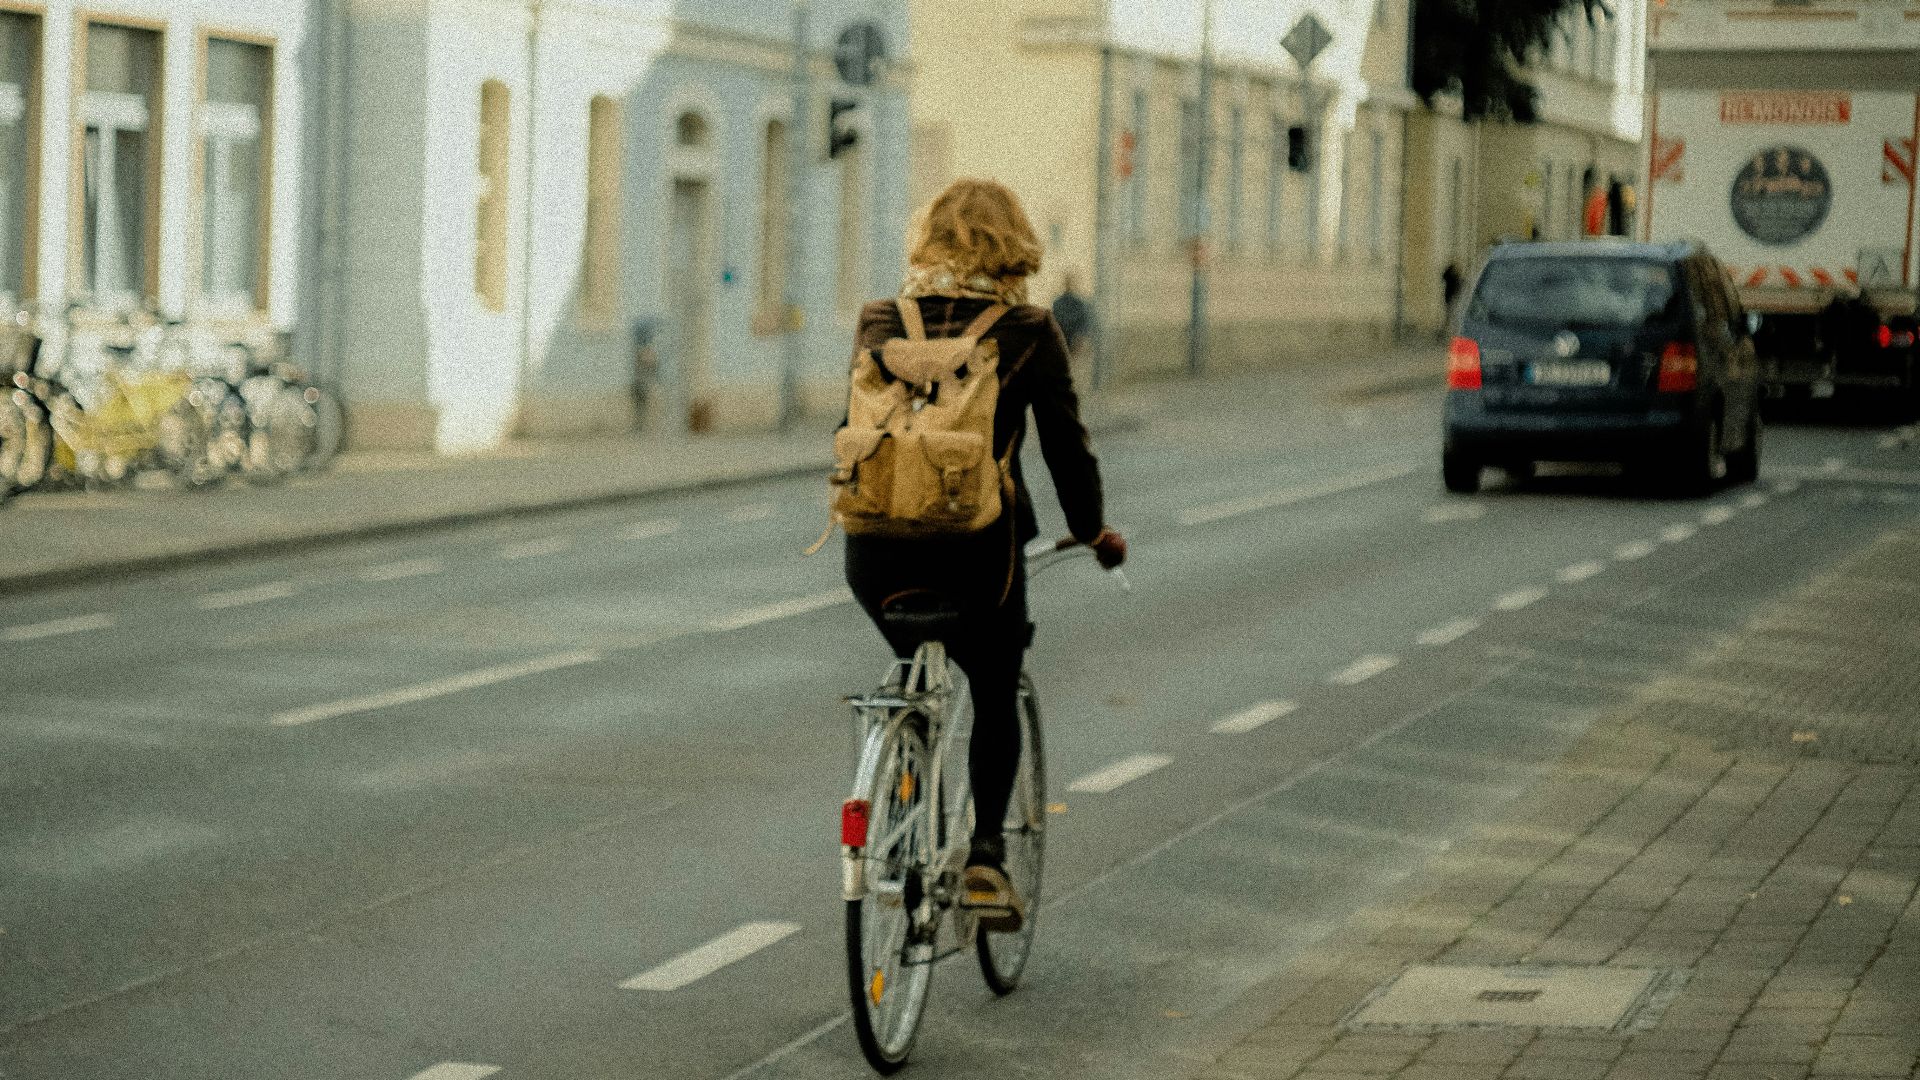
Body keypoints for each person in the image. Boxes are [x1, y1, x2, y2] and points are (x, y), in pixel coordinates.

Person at [844, 178, 1126, 928]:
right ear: (1013, 247)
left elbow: (857, 432)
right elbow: (1068, 450)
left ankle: (900, 795)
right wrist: (1094, 530)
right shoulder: (1027, 330)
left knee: (911, 664)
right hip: (978, 555)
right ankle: (986, 858)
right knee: (995, 681)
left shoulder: (880, 321)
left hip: (873, 555)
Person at [1051, 271, 1095, 360]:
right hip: (1062, 341)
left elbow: (1084, 324)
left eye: (1071, 282)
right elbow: (1055, 321)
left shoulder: (1080, 304)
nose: (1069, 285)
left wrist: (1080, 340)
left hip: (1076, 342)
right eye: (1067, 282)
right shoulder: (1058, 302)